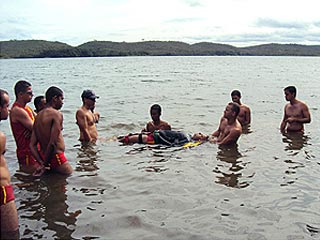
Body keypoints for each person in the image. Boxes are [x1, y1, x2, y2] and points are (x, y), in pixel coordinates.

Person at [30, 86, 73, 175]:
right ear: (55, 98)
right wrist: (45, 165)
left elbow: (32, 145)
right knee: (71, 177)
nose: (62, 103)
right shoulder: (56, 114)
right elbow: (53, 143)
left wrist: (41, 162)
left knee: (54, 185)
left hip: (44, 156)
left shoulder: (38, 116)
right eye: (61, 99)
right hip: (56, 157)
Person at [10, 80, 40, 173]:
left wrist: (33, 130)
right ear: (20, 94)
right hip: (26, 151)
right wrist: (33, 130)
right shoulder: (17, 110)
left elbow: (40, 122)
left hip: (33, 149)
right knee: (30, 178)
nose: (32, 95)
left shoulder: (27, 108)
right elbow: (37, 129)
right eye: (29, 93)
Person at [0, 89, 19, 239]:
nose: (9, 109)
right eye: (6, 105)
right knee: (11, 234)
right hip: (3, 191)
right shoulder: (0, 137)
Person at [118, 130, 208, 146]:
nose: (199, 133)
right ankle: (114, 140)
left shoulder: (187, 140)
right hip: (155, 133)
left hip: (155, 138)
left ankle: (112, 142)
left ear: (199, 139)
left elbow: (174, 144)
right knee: (129, 136)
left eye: (201, 135)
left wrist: (160, 138)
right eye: (200, 133)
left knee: (129, 139)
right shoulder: (187, 135)